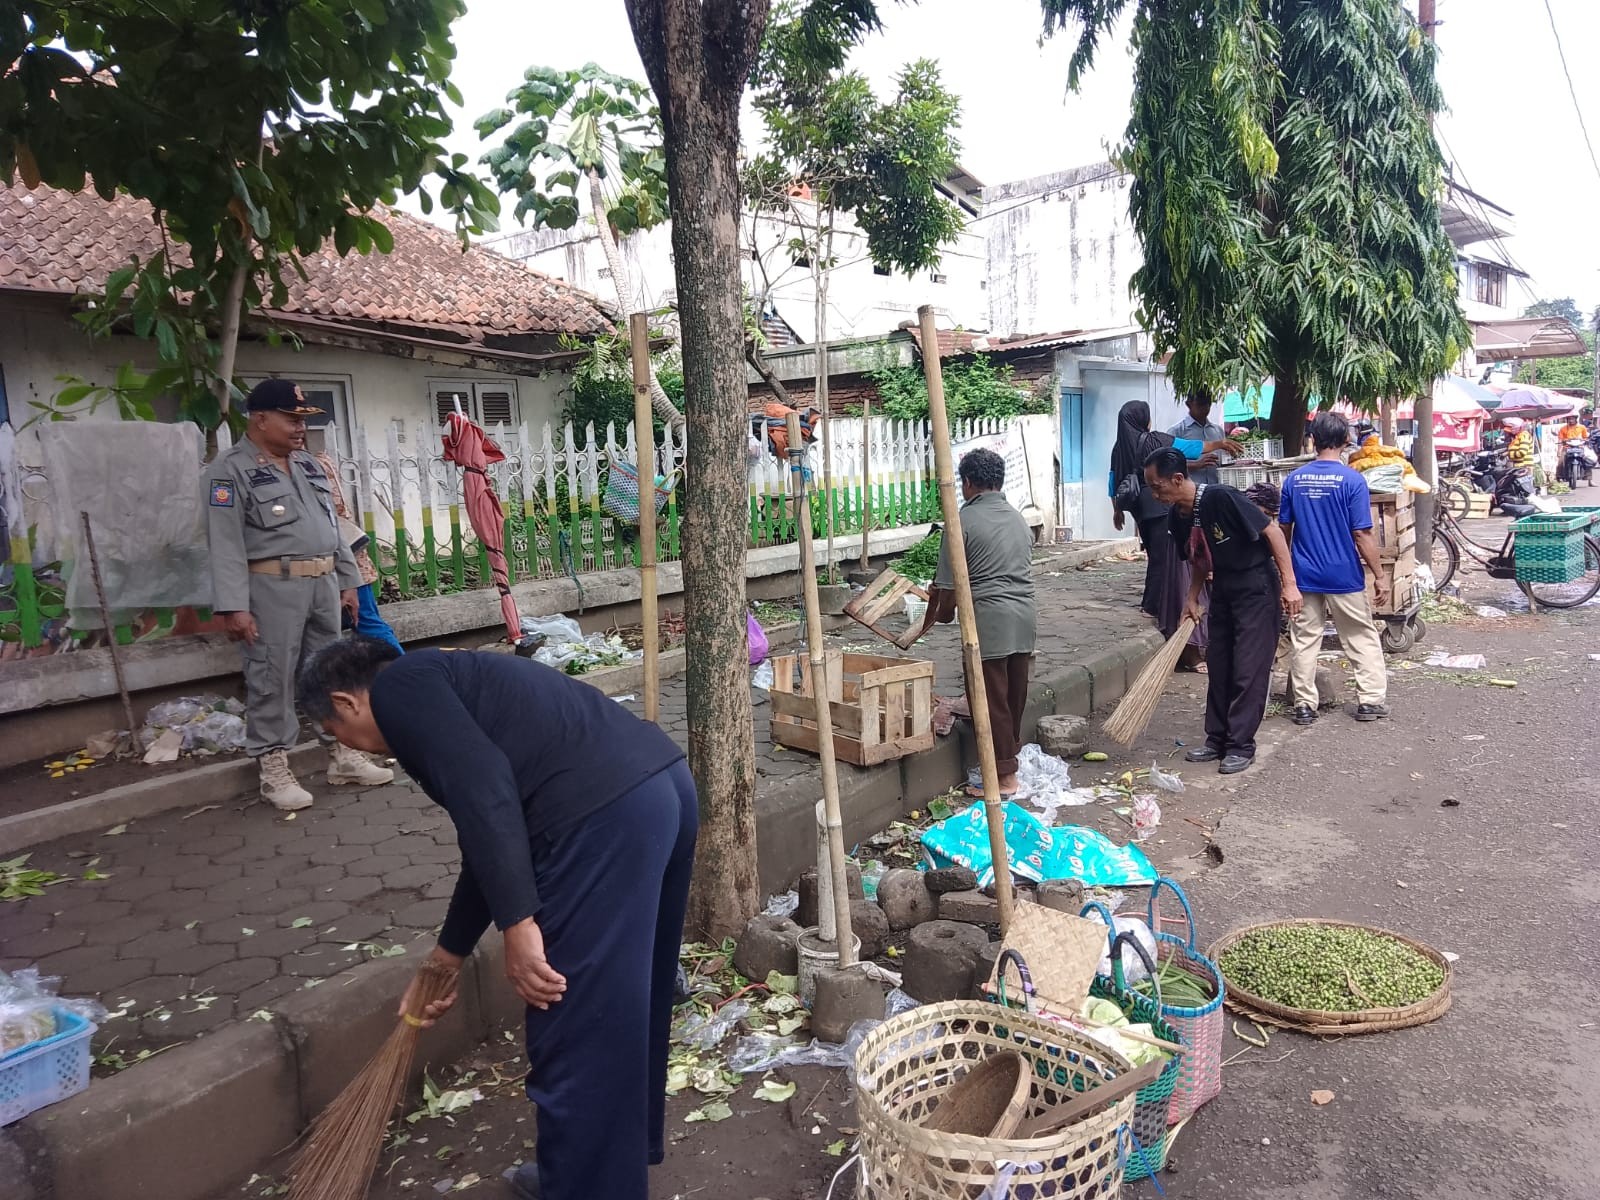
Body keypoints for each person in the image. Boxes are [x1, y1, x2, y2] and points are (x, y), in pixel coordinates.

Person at [296, 639, 696, 1200]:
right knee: (622, 1012)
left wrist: (519, 924)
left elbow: (487, 796)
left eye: (329, 730)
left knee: (573, 1024)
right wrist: (447, 956)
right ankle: (590, 1176)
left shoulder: (399, 691)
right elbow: (488, 837)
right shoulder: (445, 680)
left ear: (345, 702)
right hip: (663, 791)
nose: (339, 743)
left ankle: (586, 1186)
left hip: (604, 820)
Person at [205, 379, 393, 810]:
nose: (299, 429)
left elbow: (333, 529)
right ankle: (273, 767)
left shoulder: (309, 467)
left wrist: (348, 580)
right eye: (291, 420)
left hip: (323, 584)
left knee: (330, 672)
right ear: (259, 419)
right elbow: (224, 543)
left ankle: (342, 754)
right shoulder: (227, 472)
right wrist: (234, 607)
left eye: (302, 421)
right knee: (271, 677)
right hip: (271, 587)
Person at [1144, 446, 1300, 774]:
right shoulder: (1178, 515)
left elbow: (1271, 532)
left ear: (1176, 479)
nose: (1154, 493)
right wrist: (1192, 597)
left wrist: (1289, 584)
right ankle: (1216, 738)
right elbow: (1200, 557)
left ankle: (1241, 745)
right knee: (1220, 663)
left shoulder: (1221, 497)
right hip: (1224, 588)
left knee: (1248, 667)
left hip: (1257, 585)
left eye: (1157, 486)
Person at [910, 448, 1036, 797]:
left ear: (966, 483)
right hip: (1025, 619)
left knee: (991, 700)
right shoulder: (1018, 518)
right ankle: (1007, 764)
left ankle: (1005, 779)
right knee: (1012, 699)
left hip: (989, 623)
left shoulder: (960, 522)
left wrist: (941, 612)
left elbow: (948, 588)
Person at [1278, 412, 1390, 726]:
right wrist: (1380, 576)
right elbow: (1362, 533)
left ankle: (1304, 705)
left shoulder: (1294, 479)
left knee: (1304, 639)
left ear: (1312, 440)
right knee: (1359, 636)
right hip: (1344, 574)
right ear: (1345, 441)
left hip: (1304, 573)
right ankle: (1369, 701)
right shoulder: (1353, 480)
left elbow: (1283, 528)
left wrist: (1284, 574)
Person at [1110, 400, 1240, 667]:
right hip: (1158, 505)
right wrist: (1219, 444)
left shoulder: (1119, 446)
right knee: (1166, 559)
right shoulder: (1152, 439)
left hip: (1138, 507)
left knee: (1155, 557)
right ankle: (1157, 606)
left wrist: (1117, 510)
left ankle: (1150, 603)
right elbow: (1185, 448)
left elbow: (1113, 480)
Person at [312, 446, 404, 654]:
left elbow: (334, 513)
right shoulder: (318, 462)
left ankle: (403, 671)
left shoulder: (313, 465)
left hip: (342, 560)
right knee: (363, 623)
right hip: (341, 561)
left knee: (366, 623)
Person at [1167, 390, 1227, 485]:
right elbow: (1169, 465)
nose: (1205, 408)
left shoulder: (1218, 431)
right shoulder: (1177, 431)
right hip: (1190, 491)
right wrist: (1196, 464)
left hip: (1216, 488)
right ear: (1189, 404)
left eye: (1208, 403)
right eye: (1201, 404)